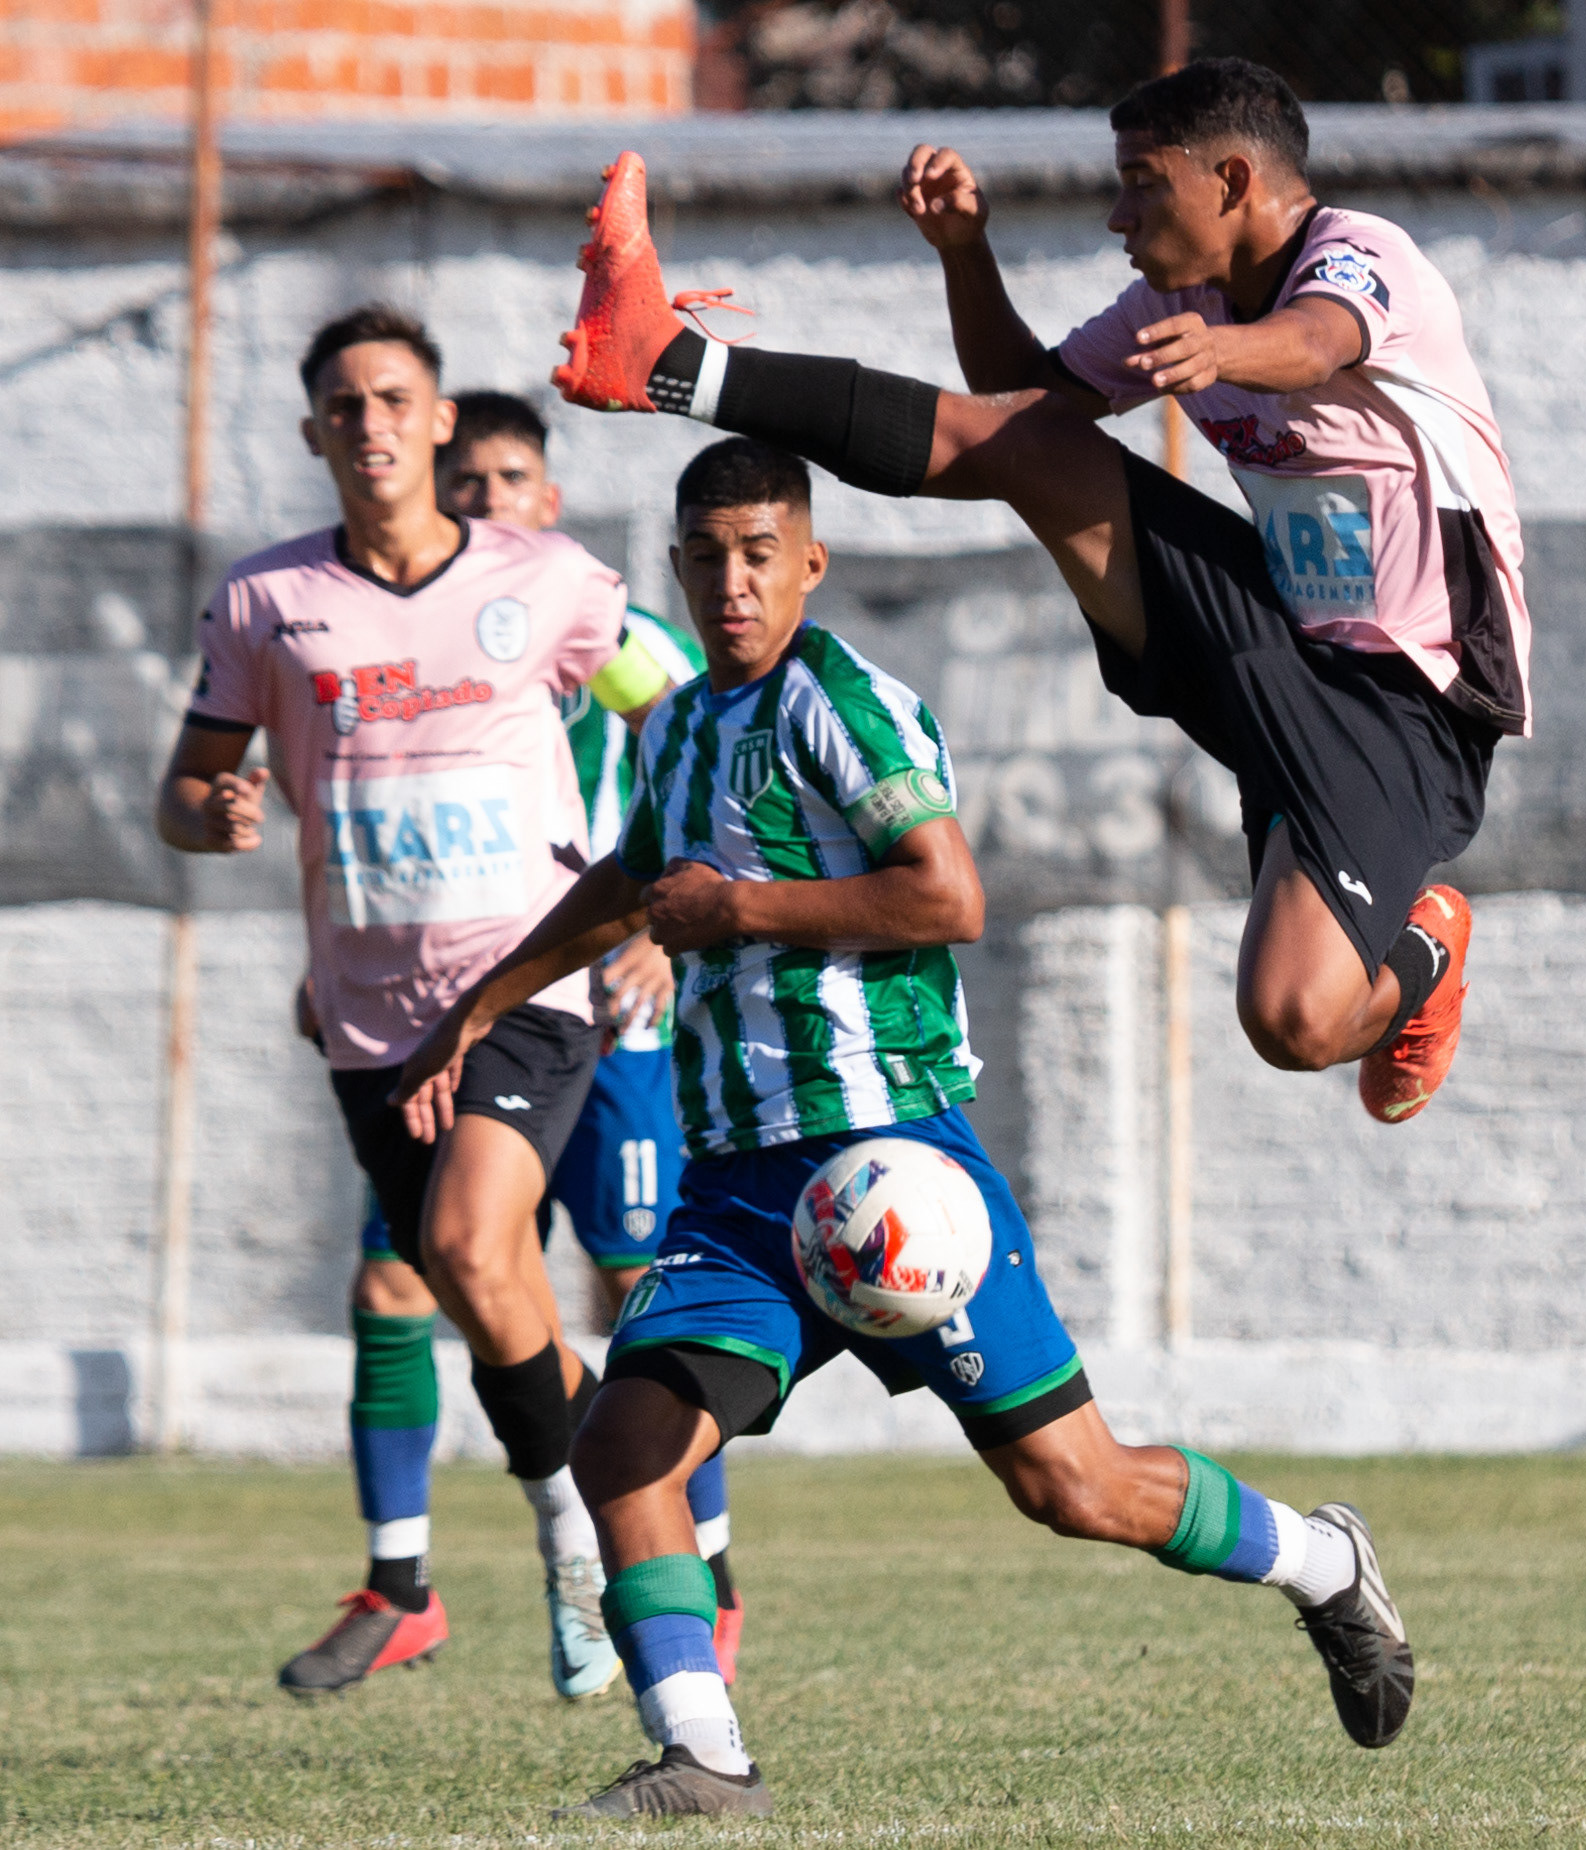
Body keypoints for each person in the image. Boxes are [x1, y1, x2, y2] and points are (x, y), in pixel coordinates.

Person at [389, 438, 1416, 1822]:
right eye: (707, 557)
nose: (733, 582)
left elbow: (947, 897)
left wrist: (736, 910)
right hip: (743, 1192)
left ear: (809, 560)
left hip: (896, 1168)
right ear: (680, 569)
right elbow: (641, 880)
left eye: (760, 554)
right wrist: (478, 1004)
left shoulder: (848, 705)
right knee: (621, 1446)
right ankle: (706, 1759)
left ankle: (1318, 1558)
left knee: (1073, 1483)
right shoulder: (680, 723)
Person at [549, 55, 1532, 1126]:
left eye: (1141, 183)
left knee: (1291, 1022)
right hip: (1272, 634)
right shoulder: (1179, 299)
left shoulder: (1358, 255)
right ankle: (669, 365)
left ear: (1234, 181)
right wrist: (966, 256)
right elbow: (1019, 409)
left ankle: (1423, 951)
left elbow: (1316, 341)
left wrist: (1227, 350)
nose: (1118, 215)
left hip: (1403, 700)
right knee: (1033, 446)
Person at [155, 304, 680, 1700]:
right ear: (316, 431)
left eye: (395, 397)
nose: (371, 421)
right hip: (366, 1012)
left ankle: (610, 1544)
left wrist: (680, 891)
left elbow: (675, 704)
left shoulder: (549, 581)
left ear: (440, 420)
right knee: (469, 1276)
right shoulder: (267, 604)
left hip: (528, 982)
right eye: (344, 404)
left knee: (461, 1235)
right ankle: (569, 1509)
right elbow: (187, 786)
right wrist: (213, 811)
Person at [301, 388, 745, 1685]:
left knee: (634, 1293)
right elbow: (373, 822)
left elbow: (693, 742)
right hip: (459, 1012)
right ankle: (404, 1585)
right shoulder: (420, 644)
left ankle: (698, 1578)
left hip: (608, 1009)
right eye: (471, 481)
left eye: (510, 481)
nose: (489, 501)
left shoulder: (591, 631)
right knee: (414, 1274)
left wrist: (660, 927)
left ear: (546, 501)